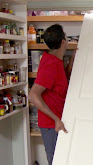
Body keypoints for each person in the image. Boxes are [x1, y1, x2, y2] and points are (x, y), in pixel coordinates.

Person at [28, 24, 76, 165]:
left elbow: (60, 80)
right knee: (56, 160)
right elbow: (33, 95)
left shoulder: (53, 59)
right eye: (66, 37)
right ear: (62, 42)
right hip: (51, 124)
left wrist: (73, 59)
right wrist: (56, 119)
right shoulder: (51, 65)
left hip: (59, 120)